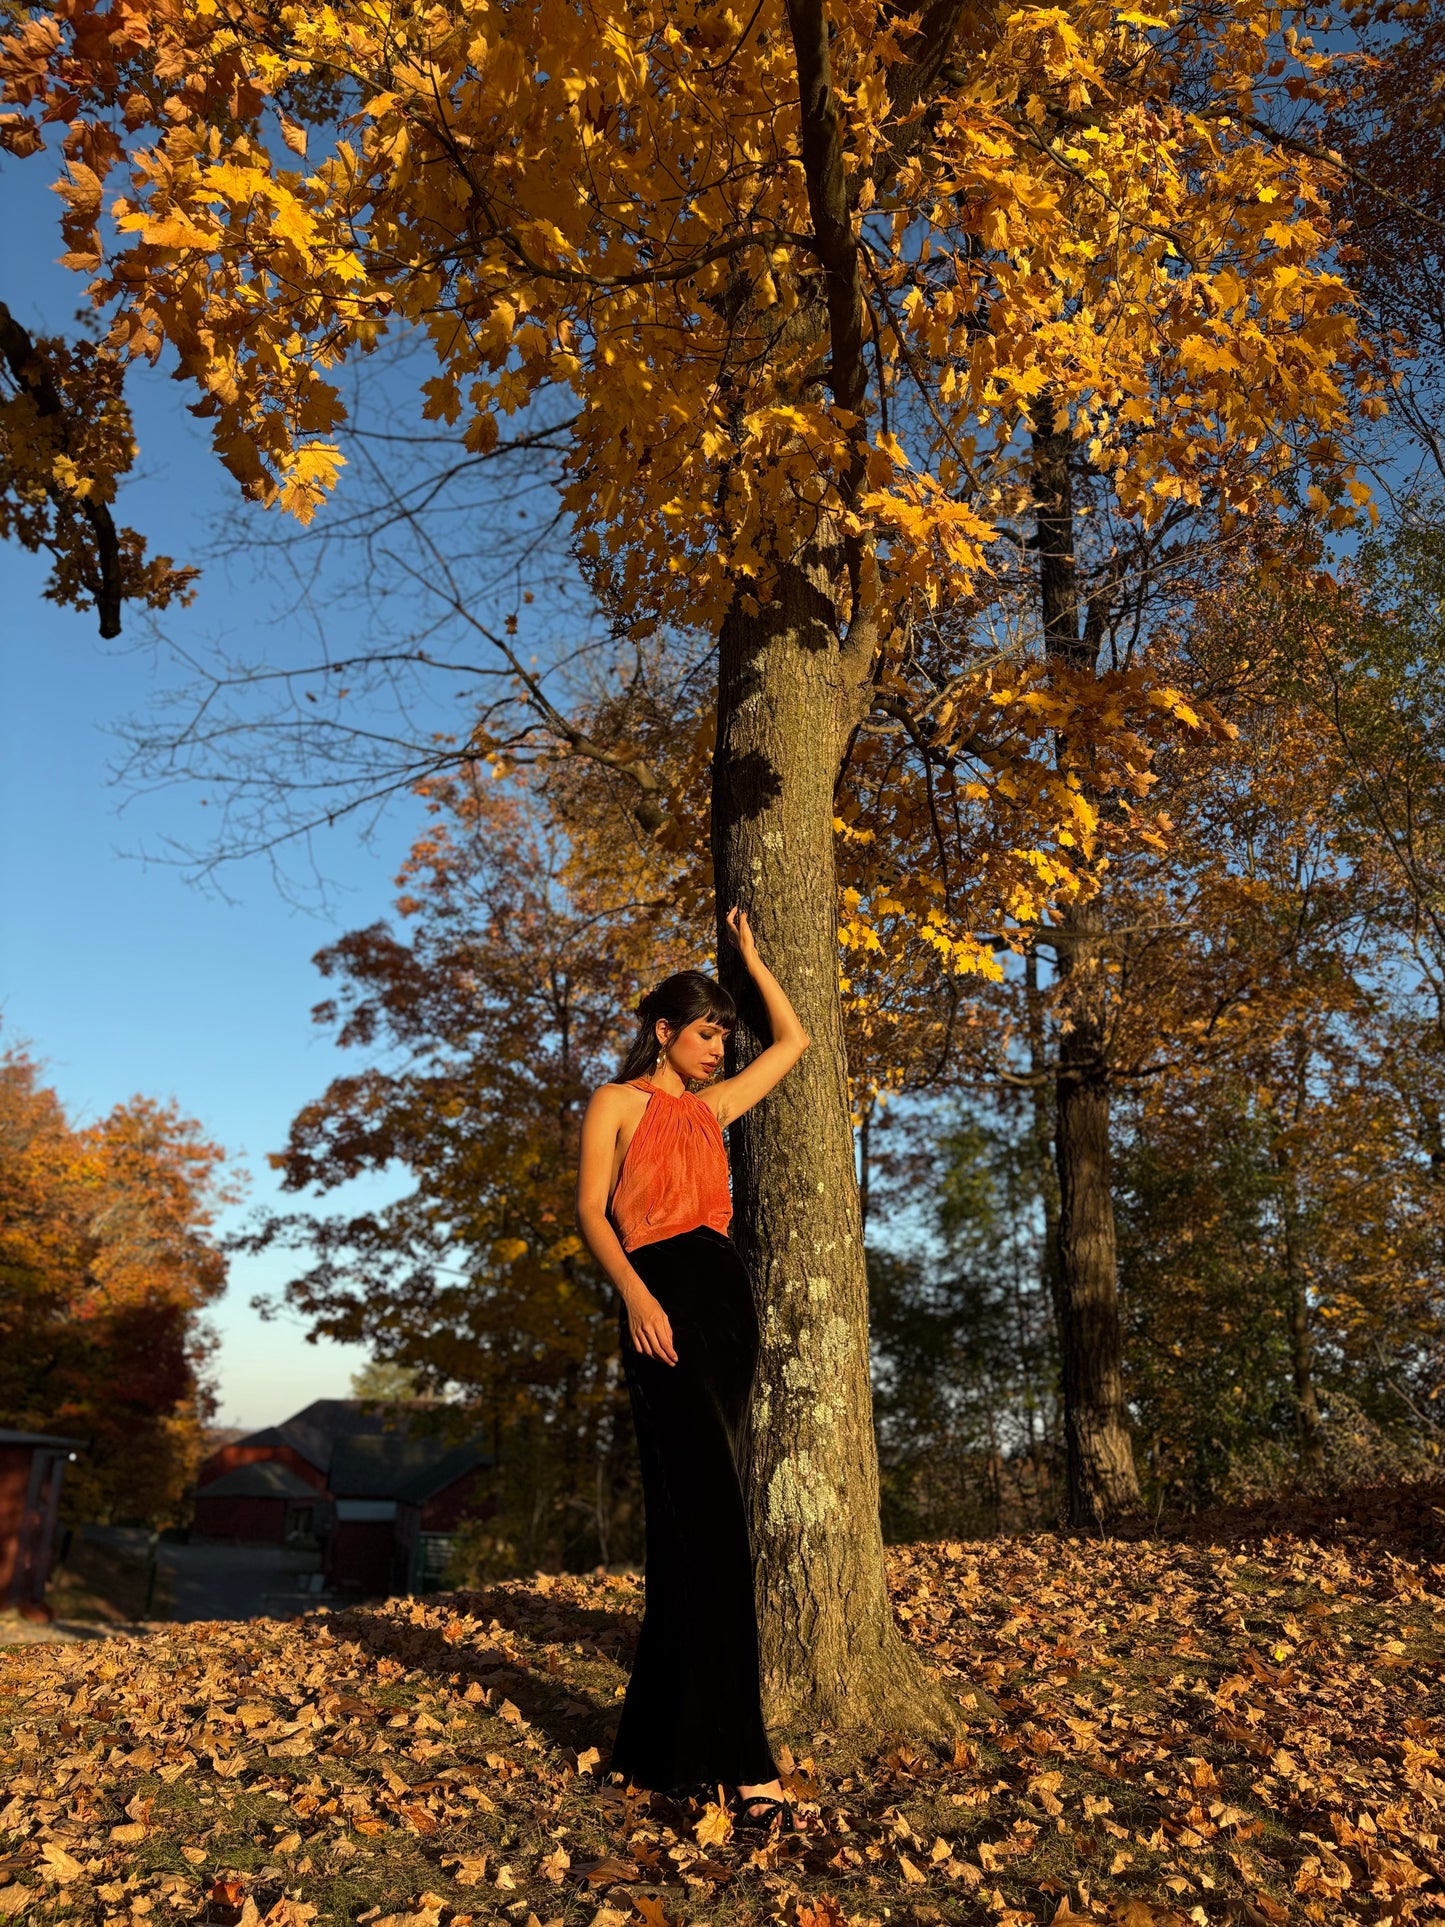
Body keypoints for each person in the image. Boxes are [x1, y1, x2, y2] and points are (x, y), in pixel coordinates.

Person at [574, 905, 809, 1830]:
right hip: (657, 1301)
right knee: (706, 1532)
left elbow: (792, 1041)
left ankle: (656, 1748)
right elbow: (593, 1212)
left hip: (723, 1305)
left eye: (723, 1037)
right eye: (706, 1034)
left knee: (695, 1536)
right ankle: (742, 1764)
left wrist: (751, 959)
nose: (718, 1051)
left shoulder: (712, 1109)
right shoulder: (615, 1102)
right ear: (663, 1033)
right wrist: (635, 1297)